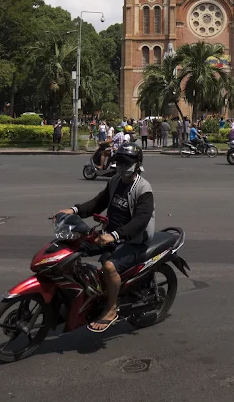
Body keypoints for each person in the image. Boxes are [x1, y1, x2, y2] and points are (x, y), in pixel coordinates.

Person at [54, 143, 154, 333]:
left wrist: (115, 235)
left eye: (127, 162)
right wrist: (73, 210)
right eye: (119, 162)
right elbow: (97, 203)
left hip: (133, 240)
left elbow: (141, 220)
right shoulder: (116, 181)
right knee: (72, 247)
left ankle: (111, 308)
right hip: (110, 235)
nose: (123, 166)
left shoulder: (143, 188)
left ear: (137, 163)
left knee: (109, 267)